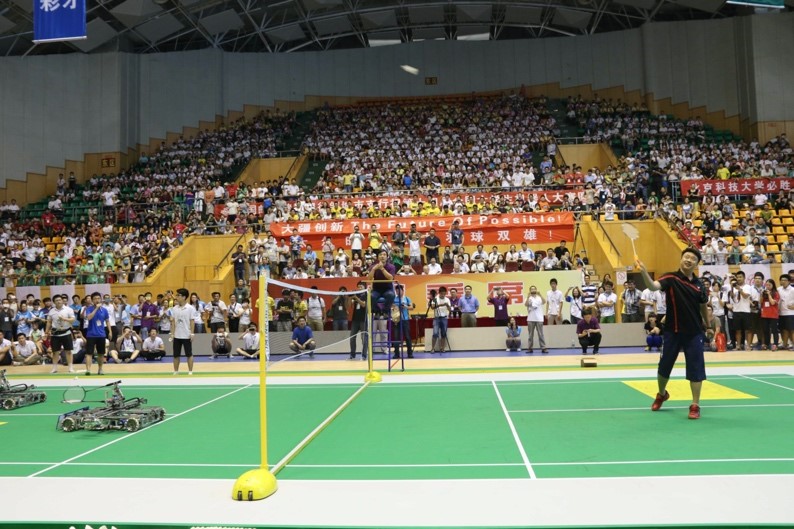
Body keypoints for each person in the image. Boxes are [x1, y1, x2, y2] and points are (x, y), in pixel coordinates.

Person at [637, 247, 709, 420]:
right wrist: (645, 272)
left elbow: (703, 306)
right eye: (686, 257)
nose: (689, 260)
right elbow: (653, 286)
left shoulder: (699, 285)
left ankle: (695, 404)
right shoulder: (671, 278)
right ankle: (662, 394)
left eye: (693, 258)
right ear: (681, 259)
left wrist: (707, 323)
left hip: (693, 333)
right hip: (672, 331)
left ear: (696, 264)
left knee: (696, 368)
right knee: (664, 366)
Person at [168, 287, 198, 375]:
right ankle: (176, 371)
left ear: (184, 297)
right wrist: (172, 334)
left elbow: (192, 321)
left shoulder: (190, 308)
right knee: (176, 355)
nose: (176, 297)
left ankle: (190, 371)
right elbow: (173, 322)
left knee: (189, 354)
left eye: (178, 295)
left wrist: (192, 333)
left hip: (186, 334)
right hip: (177, 335)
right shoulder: (174, 308)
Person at [45, 294, 76, 373]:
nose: (58, 301)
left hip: (66, 332)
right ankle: (54, 368)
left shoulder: (68, 309)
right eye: (56, 300)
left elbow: (72, 320)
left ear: (62, 301)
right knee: (55, 351)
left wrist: (64, 318)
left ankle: (70, 367)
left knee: (68, 351)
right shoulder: (51, 311)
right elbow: (49, 322)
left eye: (60, 300)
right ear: (54, 302)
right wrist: (46, 332)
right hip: (55, 333)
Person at [83, 292, 111, 376]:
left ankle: (100, 369)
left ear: (101, 299)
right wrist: (96, 309)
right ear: (92, 300)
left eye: (98, 298)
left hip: (101, 334)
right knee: (89, 353)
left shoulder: (104, 310)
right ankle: (88, 370)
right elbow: (89, 317)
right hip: (91, 334)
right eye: (95, 299)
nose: (97, 300)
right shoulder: (89, 309)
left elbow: (107, 321)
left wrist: (110, 331)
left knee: (101, 353)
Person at [368, 250, 396, 316]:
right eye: (380, 255)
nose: (382, 256)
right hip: (376, 290)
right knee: (371, 296)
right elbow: (369, 278)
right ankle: (377, 311)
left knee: (391, 295)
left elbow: (391, 278)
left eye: (384, 255)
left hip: (387, 289)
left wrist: (382, 269)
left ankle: (385, 311)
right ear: (378, 257)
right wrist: (373, 269)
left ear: (387, 257)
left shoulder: (391, 266)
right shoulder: (373, 266)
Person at [392, 285, 415, 359]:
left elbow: (411, 307)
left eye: (399, 290)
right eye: (397, 291)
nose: (398, 292)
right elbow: (391, 307)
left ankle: (410, 353)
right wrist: (394, 306)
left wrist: (405, 306)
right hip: (396, 320)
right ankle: (396, 354)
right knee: (396, 337)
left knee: (408, 337)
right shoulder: (393, 299)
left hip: (405, 320)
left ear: (403, 291)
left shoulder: (407, 298)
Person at [524, 285, 548, 354]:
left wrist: (540, 294)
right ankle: (530, 348)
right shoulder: (528, 298)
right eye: (532, 289)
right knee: (530, 335)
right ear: (530, 290)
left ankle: (543, 348)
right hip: (531, 318)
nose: (533, 290)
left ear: (536, 290)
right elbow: (526, 304)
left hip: (539, 318)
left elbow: (544, 302)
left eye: (534, 289)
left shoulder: (539, 297)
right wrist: (528, 297)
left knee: (541, 334)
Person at [349, 281, 368, 360]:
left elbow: (364, 305)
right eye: (358, 287)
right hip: (355, 320)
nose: (359, 288)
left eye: (361, 287)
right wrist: (349, 297)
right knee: (352, 337)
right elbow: (349, 306)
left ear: (364, 288)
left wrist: (356, 298)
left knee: (364, 338)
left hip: (363, 319)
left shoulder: (367, 295)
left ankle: (364, 355)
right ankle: (352, 355)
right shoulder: (355, 295)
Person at [429, 287, 452, 353]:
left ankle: (442, 348)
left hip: (444, 318)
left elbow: (450, 310)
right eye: (441, 294)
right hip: (436, 318)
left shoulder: (447, 299)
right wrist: (440, 305)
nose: (443, 295)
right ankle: (432, 348)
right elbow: (432, 307)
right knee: (435, 333)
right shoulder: (435, 299)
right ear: (439, 293)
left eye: (444, 294)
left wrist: (447, 306)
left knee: (443, 334)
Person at [760, 279, 780, 351]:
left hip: (773, 315)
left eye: (769, 285)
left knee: (774, 330)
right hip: (764, 314)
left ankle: (775, 344)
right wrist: (762, 295)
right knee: (765, 330)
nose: (767, 286)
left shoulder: (776, 293)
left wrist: (769, 294)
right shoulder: (764, 292)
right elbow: (760, 302)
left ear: (773, 285)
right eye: (766, 285)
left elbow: (772, 303)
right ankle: (766, 344)